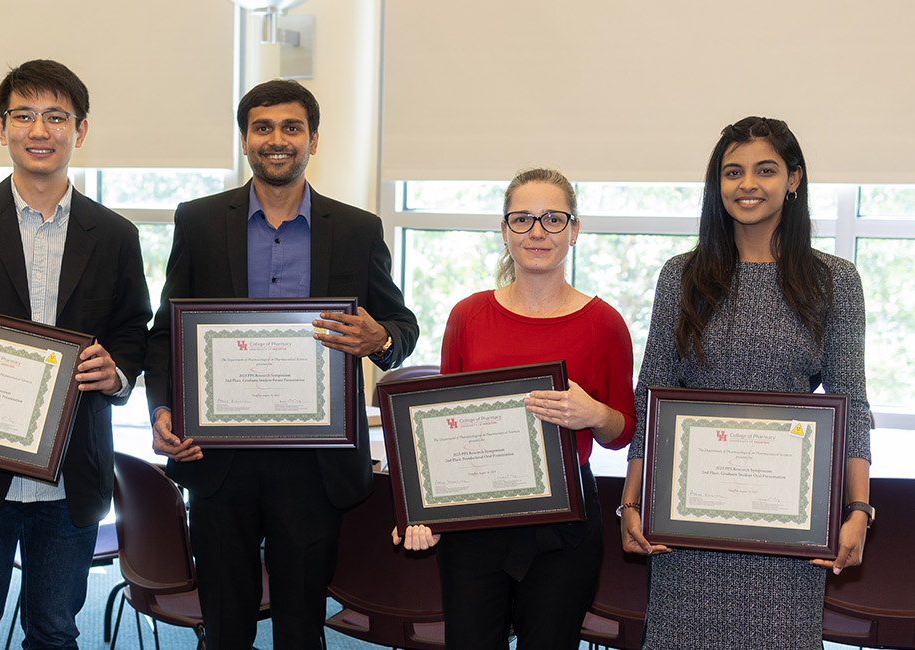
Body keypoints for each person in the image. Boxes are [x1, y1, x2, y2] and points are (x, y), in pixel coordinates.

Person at [146, 79, 419, 650]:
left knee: (301, 627)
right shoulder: (198, 222)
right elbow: (167, 330)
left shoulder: (357, 229)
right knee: (225, 627)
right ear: (245, 140)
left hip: (313, 464)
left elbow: (401, 326)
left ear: (313, 140)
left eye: (291, 128)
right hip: (218, 457)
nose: (277, 140)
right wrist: (163, 408)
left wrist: (381, 340)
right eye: (262, 128)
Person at [0, 59, 151, 650]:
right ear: (1, 128)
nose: (39, 130)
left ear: (80, 130)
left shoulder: (115, 235)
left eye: (56, 117)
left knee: (55, 631)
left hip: (71, 477)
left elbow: (133, 331)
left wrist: (116, 371)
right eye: (23, 116)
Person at [619, 116, 872, 648]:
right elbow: (652, 394)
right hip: (687, 524)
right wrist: (632, 504)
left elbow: (851, 403)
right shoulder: (681, 275)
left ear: (793, 179)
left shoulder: (834, 280)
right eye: (733, 172)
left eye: (766, 170)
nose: (747, 184)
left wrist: (858, 511)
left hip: (791, 528)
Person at [392, 168, 637, 649]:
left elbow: (623, 431)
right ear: (504, 231)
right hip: (475, 520)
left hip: (564, 522)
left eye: (553, 218)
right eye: (522, 219)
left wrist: (592, 413)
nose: (537, 231)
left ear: (574, 230)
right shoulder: (468, 315)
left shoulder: (605, 323)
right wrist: (423, 511)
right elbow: (439, 429)